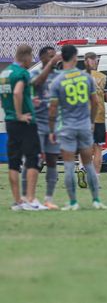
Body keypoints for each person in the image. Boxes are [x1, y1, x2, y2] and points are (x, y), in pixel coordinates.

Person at [48, 44, 106, 210]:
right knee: (88, 164)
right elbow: (95, 102)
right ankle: (96, 200)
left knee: (68, 166)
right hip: (84, 126)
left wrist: (52, 130)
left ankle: (73, 202)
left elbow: (53, 108)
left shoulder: (57, 80)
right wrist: (92, 121)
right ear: (75, 58)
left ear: (62, 58)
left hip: (67, 127)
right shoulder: (86, 77)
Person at [1, 45, 45, 211]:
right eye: (31, 57)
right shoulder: (22, 73)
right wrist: (20, 114)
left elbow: (9, 96)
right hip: (25, 122)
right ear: (25, 56)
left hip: (10, 122)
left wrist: (26, 103)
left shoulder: (5, 73)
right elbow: (17, 93)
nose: (32, 60)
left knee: (13, 162)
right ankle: (31, 200)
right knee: (33, 159)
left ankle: (18, 201)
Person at [27, 46, 63, 208]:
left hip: (53, 125)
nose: (54, 59)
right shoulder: (33, 74)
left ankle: (48, 199)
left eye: (54, 56)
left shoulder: (58, 76)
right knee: (33, 161)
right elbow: (35, 84)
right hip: (36, 124)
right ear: (42, 58)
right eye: (50, 57)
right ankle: (26, 198)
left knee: (52, 160)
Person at [84, 52, 107, 177]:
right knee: (98, 148)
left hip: (83, 117)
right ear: (95, 62)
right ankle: (96, 176)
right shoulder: (103, 77)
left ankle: (82, 168)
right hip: (99, 116)